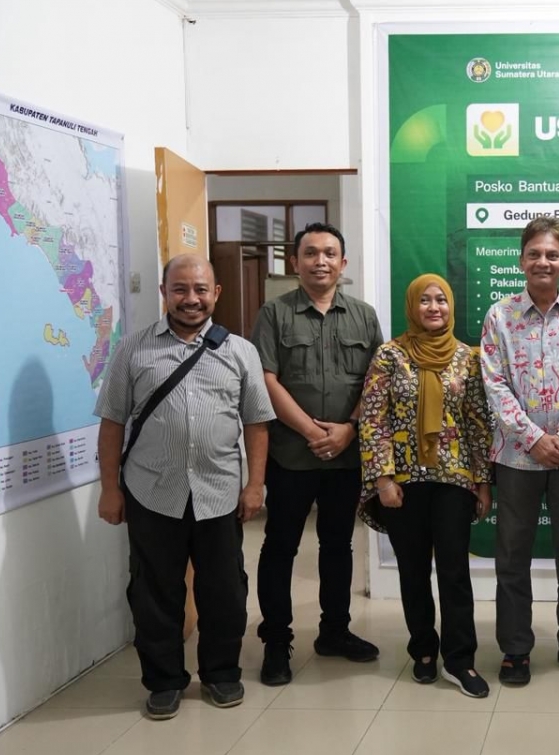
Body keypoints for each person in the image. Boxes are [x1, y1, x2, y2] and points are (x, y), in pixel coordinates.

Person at [94, 253, 276, 720]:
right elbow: (112, 423)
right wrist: (110, 489)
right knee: (154, 593)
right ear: (164, 293)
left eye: (200, 289)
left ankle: (221, 673)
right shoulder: (133, 350)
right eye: (180, 289)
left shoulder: (240, 351)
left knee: (225, 591)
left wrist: (255, 485)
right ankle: (164, 681)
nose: (190, 299)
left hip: (219, 492)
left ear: (216, 293)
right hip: (151, 492)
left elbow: (256, 424)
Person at [250, 222, 383, 686]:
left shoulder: (364, 316)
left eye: (329, 253)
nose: (320, 261)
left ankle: (335, 631)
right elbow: (265, 378)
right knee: (280, 546)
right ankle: (276, 641)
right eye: (310, 253)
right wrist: (311, 431)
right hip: (291, 455)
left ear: (343, 263)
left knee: (338, 545)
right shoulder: (275, 313)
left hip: (345, 457)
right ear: (295, 262)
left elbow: (377, 381)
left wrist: (348, 430)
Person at [480, 216, 559, 686]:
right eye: (534, 253)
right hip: (517, 457)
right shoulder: (500, 316)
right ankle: (515, 649)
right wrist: (533, 438)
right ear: (521, 260)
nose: (543, 262)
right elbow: (494, 384)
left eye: (552, 254)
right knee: (512, 555)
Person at [357, 274, 494, 698]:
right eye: (425, 300)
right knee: (413, 571)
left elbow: (477, 422)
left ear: (451, 306)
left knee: (454, 572)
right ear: (412, 306)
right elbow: (373, 418)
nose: (434, 307)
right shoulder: (389, 355)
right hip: (403, 483)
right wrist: (383, 479)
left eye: (441, 300)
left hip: (454, 481)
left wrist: (482, 482)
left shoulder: (467, 358)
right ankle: (422, 650)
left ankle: (460, 659)